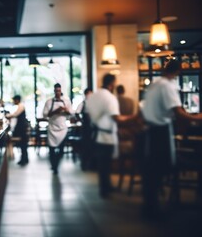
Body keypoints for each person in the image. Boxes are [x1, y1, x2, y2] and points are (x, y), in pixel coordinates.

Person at [140, 59, 202, 218]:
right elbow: (178, 112)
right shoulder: (167, 86)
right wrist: (197, 118)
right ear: (177, 73)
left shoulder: (154, 84)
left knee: (152, 170)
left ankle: (150, 206)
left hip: (150, 131)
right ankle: (154, 209)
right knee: (160, 168)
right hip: (160, 132)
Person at [85, 74, 133, 198]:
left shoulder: (93, 96)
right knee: (106, 163)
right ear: (111, 84)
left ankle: (106, 185)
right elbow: (116, 117)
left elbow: (88, 114)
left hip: (96, 133)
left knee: (103, 163)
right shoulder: (110, 98)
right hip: (106, 134)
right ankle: (104, 188)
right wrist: (132, 118)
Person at [42, 83, 73, 175]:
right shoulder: (49, 102)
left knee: (61, 150)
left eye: (59, 91)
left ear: (61, 90)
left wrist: (66, 111)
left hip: (63, 128)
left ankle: (56, 164)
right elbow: (45, 115)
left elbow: (71, 113)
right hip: (52, 128)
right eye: (56, 91)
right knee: (51, 149)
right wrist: (56, 111)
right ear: (54, 91)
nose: (58, 92)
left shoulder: (66, 101)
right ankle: (54, 166)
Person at [6, 95, 29, 166]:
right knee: (23, 143)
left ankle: (24, 159)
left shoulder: (21, 106)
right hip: (22, 127)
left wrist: (8, 116)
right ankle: (24, 159)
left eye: (14, 100)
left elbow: (16, 114)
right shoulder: (20, 106)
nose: (13, 101)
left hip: (22, 127)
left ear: (17, 100)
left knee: (23, 143)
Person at [75, 88, 94, 170]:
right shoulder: (83, 103)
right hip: (86, 128)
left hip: (93, 127)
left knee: (92, 146)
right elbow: (77, 113)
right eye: (89, 94)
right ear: (86, 94)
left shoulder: (94, 104)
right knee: (86, 146)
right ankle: (84, 165)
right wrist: (81, 120)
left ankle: (91, 165)